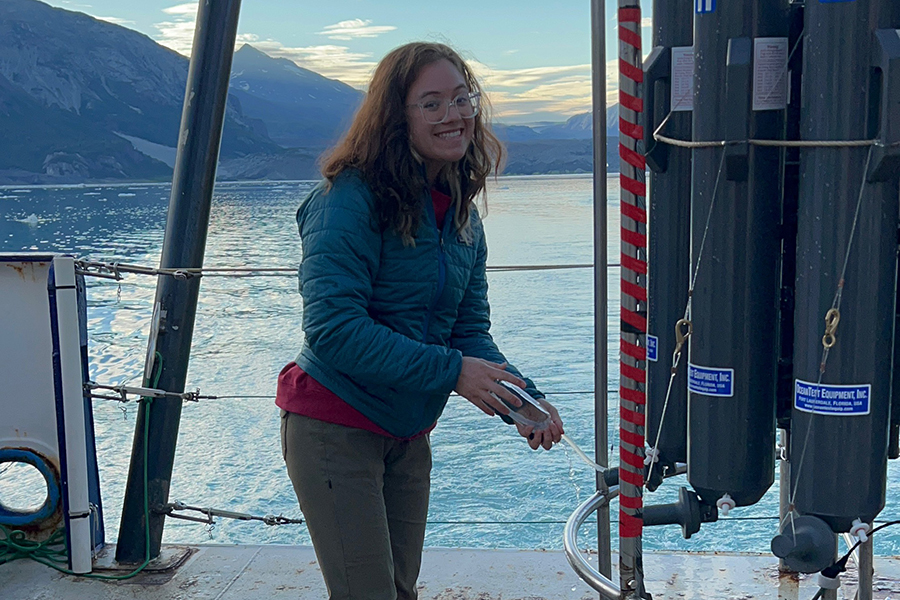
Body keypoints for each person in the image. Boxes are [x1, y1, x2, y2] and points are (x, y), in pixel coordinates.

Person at [276, 41, 564, 600]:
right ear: (394, 116)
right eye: (431, 103)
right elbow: (334, 331)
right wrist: (454, 372)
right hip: (335, 424)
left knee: (399, 593)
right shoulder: (347, 199)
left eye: (462, 99)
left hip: (407, 432)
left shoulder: (460, 214)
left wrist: (522, 400)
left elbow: (467, 331)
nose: (454, 115)